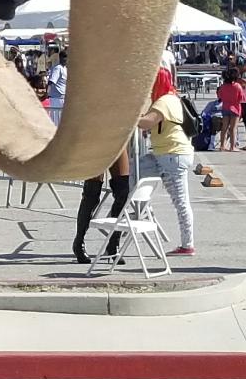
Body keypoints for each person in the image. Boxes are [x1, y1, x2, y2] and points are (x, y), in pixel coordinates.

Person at [137, 68, 196, 257]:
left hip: (172, 155)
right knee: (136, 171)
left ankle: (187, 244)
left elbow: (147, 122)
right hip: (167, 154)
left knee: (180, 201)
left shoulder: (165, 101)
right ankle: (141, 209)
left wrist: (130, 118)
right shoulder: (170, 98)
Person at [73, 146, 131, 264]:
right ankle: (79, 242)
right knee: (92, 194)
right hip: (97, 138)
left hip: (118, 137)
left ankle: (113, 244)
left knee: (123, 192)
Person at [217, 65, 245, 152]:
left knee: (224, 127)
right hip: (235, 108)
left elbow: (219, 96)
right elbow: (242, 98)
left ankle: (222, 145)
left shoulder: (223, 86)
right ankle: (232, 146)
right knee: (233, 128)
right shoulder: (237, 86)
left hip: (225, 107)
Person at [45, 48, 68, 125]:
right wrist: (47, 94)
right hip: (56, 99)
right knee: (56, 121)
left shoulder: (65, 68)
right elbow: (51, 81)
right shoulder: (58, 68)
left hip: (63, 98)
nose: (66, 59)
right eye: (65, 57)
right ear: (61, 58)